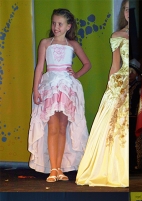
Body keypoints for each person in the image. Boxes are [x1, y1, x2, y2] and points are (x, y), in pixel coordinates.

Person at [28, 8, 90, 180]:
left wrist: (76, 74)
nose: (56, 27)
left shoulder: (72, 45)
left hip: (67, 89)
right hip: (50, 88)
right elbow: (39, 67)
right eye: (54, 23)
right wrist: (35, 89)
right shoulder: (45, 43)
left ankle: (60, 168)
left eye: (60, 24)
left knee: (62, 128)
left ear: (68, 26)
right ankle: (53, 168)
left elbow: (87, 64)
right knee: (53, 127)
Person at [76, 1, 128, 187]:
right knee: (113, 122)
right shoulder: (117, 35)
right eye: (125, 9)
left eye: (130, 9)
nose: (128, 13)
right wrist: (110, 86)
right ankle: (109, 170)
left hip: (138, 79)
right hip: (121, 82)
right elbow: (115, 65)